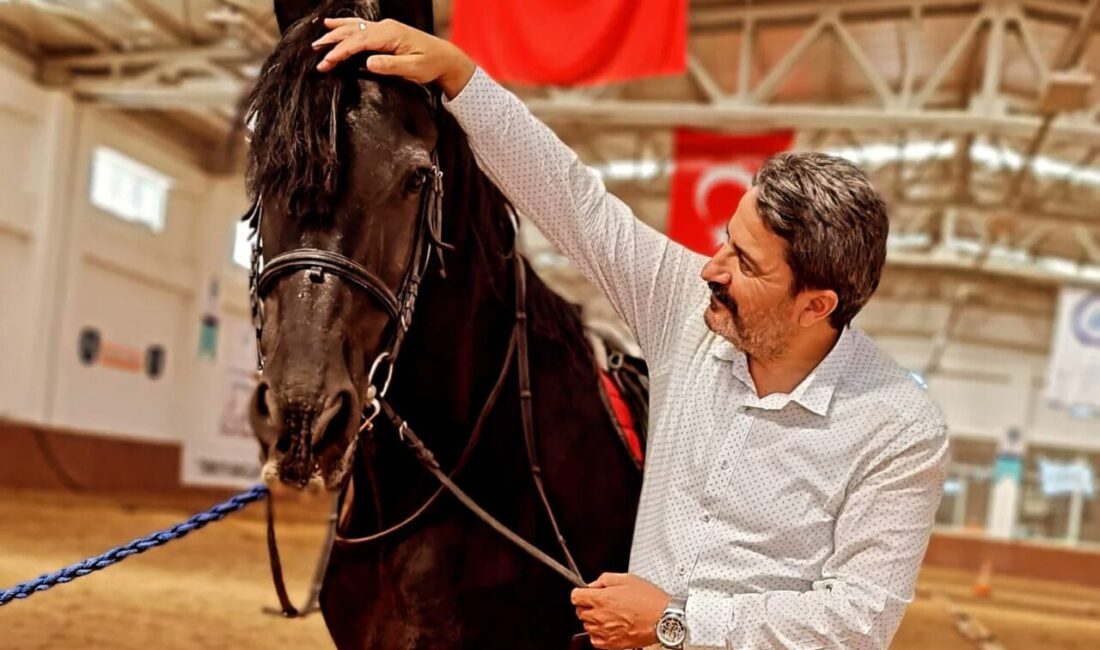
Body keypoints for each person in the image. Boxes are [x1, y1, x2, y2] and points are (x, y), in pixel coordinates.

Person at [311, 17, 949, 650]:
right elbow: (576, 205)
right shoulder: (686, 310)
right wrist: (459, 74)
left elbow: (858, 622)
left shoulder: (897, 429)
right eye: (729, 238)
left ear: (817, 305)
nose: (711, 267)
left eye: (746, 264)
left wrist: (674, 622)